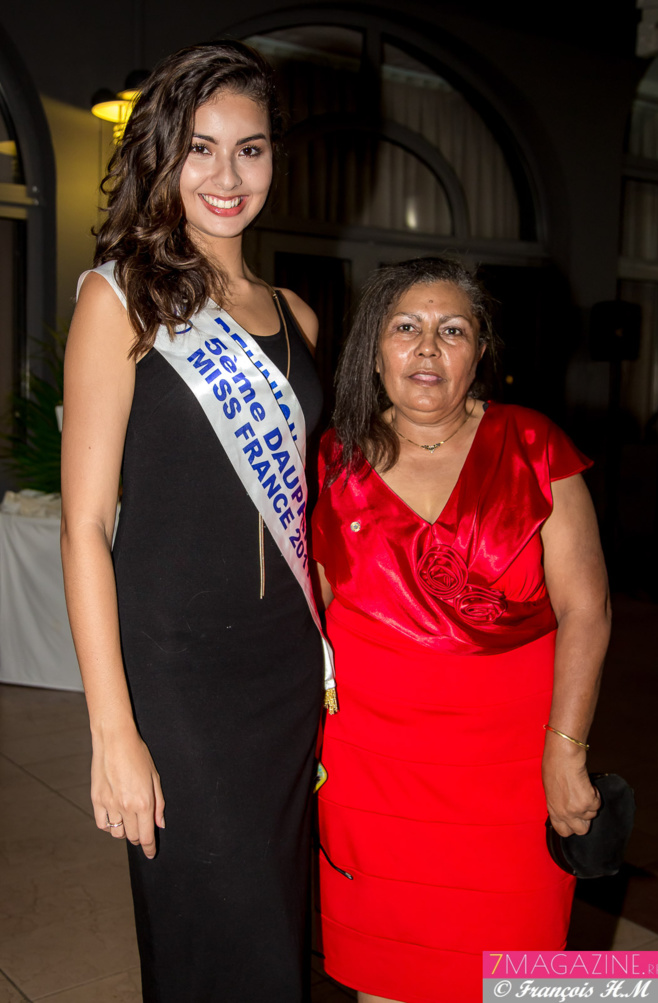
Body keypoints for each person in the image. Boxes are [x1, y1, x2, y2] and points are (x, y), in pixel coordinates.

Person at [60, 41, 335, 1003]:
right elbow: (86, 525)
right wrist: (112, 730)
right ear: (164, 156)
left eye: (251, 150)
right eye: (201, 148)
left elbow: (311, 509)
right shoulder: (118, 299)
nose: (227, 176)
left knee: (276, 930)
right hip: (176, 679)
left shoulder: (298, 318)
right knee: (208, 935)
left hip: (285, 671)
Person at [311, 257, 610, 1003]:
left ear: (480, 352)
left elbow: (588, 610)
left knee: (516, 982)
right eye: (405, 327)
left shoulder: (536, 447)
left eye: (452, 330)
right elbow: (308, 617)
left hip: (511, 781)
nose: (426, 349)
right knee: (386, 980)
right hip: (371, 780)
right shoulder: (331, 460)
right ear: (374, 347)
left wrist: (566, 750)